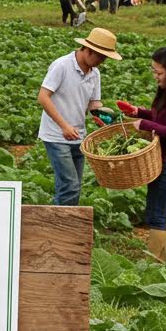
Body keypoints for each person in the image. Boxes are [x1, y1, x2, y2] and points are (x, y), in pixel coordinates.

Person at [117, 47, 166, 262]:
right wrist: (138, 112)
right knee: (162, 210)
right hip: (162, 159)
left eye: (159, 72)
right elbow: (162, 117)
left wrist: (145, 124)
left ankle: (154, 263)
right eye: (153, 71)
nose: (155, 76)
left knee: (156, 213)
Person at [37, 26, 121, 206]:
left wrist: (104, 117)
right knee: (70, 185)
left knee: (73, 186)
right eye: (101, 57)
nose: (102, 62)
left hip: (78, 135)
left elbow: (93, 104)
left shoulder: (95, 73)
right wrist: (64, 126)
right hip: (56, 135)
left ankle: (64, 219)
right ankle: (62, 221)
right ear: (89, 50)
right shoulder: (62, 66)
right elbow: (43, 97)